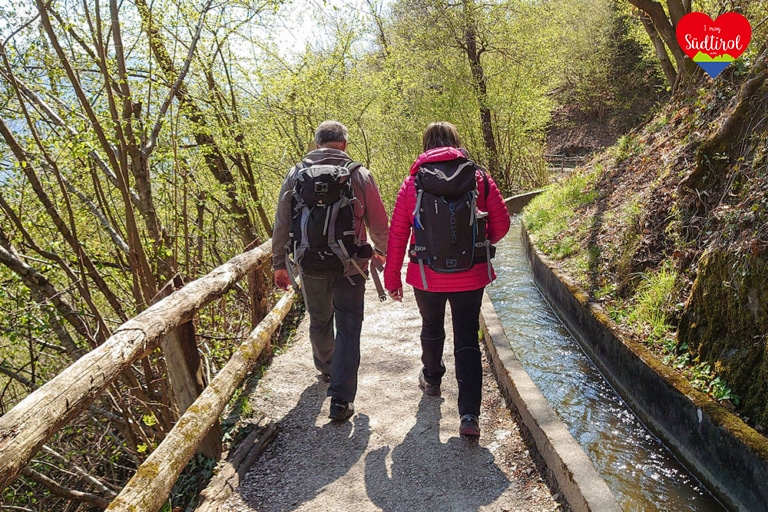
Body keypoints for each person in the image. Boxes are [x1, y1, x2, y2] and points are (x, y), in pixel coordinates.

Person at [383, 121, 510, 437]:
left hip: (426, 276)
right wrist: (483, 243)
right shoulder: (478, 178)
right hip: (472, 274)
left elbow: (398, 233)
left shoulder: (413, 183)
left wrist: (392, 278)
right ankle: (469, 417)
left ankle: (433, 379)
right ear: (457, 142)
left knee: (431, 327)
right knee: (467, 338)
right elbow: (504, 224)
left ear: (426, 145)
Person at [272, 120, 389, 422]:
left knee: (320, 320)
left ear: (316, 144)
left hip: (309, 263)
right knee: (349, 326)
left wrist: (278, 264)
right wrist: (381, 251)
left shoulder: (295, 174)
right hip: (351, 265)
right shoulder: (359, 174)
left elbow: (282, 222)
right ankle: (341, 399)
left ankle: (327, 369)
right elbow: (377, 219)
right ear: (345, 145)